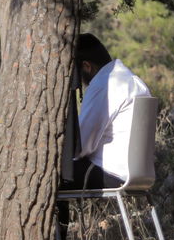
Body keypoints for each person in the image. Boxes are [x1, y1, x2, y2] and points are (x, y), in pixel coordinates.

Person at [65, 33, 151, 190]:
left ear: (86, 66)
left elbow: (80, 147)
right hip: (138, 175)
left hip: (109, 174)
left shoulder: (103, 84)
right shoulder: (132, 80)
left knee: (47, 174)